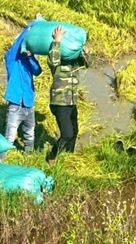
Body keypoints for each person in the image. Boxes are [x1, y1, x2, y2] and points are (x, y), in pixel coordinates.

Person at [45, 26, 92, 166]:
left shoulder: (74, 61)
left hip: (72, 101)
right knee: (67, 134)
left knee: (75, 130)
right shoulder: (57, 62)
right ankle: (51, 156)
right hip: (60, 102)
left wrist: (85, 52)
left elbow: (88, 64)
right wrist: (57, 40)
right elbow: (52, 60)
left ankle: (68, 155)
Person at [0, 22, 42, 161]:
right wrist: (32, 25)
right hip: (15, 103)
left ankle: (29, 157)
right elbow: (17, 44)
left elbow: (38, 71)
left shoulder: (28, 61)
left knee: (30, 133)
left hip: (28, 103)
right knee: (10, 135)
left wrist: (30, 56)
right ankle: (0, 160)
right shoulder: (11, 60)